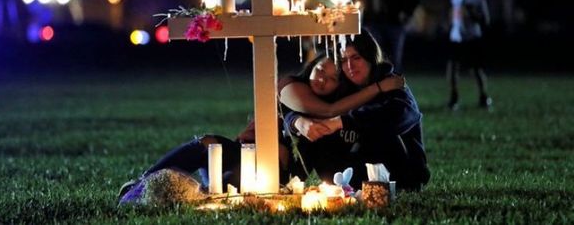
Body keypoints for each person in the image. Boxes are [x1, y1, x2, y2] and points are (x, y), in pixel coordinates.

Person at [118, 53, 405, 203]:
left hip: (276, 174)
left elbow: (332, 119)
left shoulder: (338, 105)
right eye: (320, 70)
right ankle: (143, 182)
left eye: (332, 78)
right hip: (244, 151)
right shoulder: (292, 87)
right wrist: (379, 87)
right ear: (311, 67)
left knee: (227, 188)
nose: (323, 80)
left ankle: (183, 193)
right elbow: (313, 111)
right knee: (208, 143)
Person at [284, 30, 430, 191]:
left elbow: (401, 114)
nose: (350, 66)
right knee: (314, 127)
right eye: (344, 60)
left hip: (398, 175)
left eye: (356, 58)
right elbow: (311, 109)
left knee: (378, 126)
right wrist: (297, 122)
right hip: (348, 175)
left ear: (370, 56)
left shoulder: (390, 82)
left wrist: (341, 122)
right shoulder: (344, 86)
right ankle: (290, 184)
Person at [447, 0, 492, 110]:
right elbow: (452, 16)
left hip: (472, 38)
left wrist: (472, 14)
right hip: (457, 38)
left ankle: (483, 96)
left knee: (477, 69)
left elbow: (486, 20)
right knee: (453, 68)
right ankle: (454, 98)